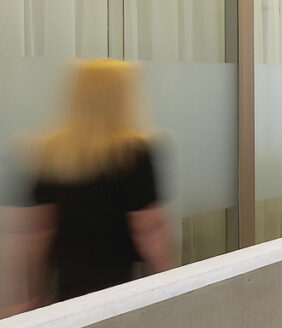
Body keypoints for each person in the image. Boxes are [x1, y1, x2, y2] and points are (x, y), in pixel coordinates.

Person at [2, 58, 175, 311]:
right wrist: (169, 284)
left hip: (67, 284)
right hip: (119, 283)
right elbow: (149, 229)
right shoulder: (133, 151)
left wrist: (28, 296)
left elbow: (36, 233)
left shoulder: (48, 152)